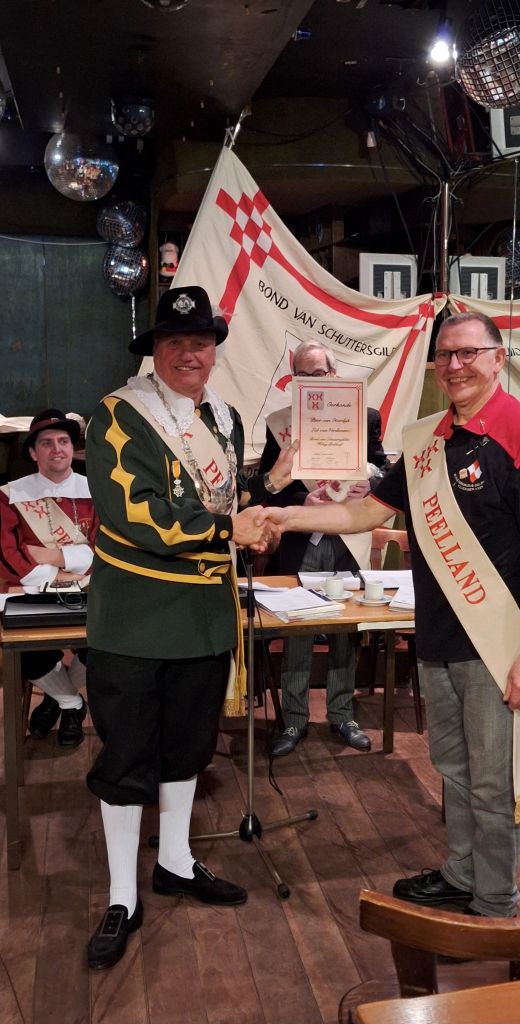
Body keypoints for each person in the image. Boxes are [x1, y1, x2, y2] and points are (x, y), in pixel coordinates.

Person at [264, 312, 520, 917]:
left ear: (498, 358)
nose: (455, 365)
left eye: (468, 353)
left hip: (494, 645)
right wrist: (284, 516)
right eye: (445, 355)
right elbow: (366, 512)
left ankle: (495, 903)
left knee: (493, 781)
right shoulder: (428, 438)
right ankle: (462, 874)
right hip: (436, 636)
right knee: (453, 767)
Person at [84, 286, 288, 970]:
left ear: (214, 351)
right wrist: (231, 529)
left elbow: (228, 502)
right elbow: (134, 514)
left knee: (187, 749)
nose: (189, 354)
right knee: (126, 758)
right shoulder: (118, 415)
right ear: (155, 351)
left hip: (204, 616)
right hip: (137, 616)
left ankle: (174, 861)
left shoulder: (224, 419)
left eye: (200, 342)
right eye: (175, 343)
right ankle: (121, 896)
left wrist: (273, 488)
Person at [249, 341, 389, 757]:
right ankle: (294, 720)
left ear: (333, 375)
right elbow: (271, 486)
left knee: (347, 629)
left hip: (348, 536)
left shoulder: (364, 417)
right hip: (303, 537)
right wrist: (302, 501)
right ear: (293, 380)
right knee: (298, 629)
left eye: (319, 374)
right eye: (303, 375)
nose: (312, 381)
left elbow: (382, 469)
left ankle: (342, 715)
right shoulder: (281, 424)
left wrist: (370, 483)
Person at [0, 408, 96, 746]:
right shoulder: (10, 495)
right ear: (32, 452)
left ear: (72, 447)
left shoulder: (97, 490)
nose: (57, 449)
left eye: (63, 441)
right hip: (32, 587)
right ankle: (71, 702)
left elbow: (106, 546)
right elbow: (6, 553)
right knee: (25, 648)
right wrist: (59, 571)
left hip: (90, 586)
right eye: (46, 443)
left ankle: (58, 698)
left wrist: (54, 556)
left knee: (105, 640)